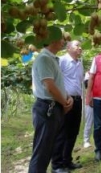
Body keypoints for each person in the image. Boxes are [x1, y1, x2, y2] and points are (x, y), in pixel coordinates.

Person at [28, 33, 74, 173]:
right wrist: (64, 103)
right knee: (42, 151)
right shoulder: (44, 59)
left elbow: (57, 84)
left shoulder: (52, 59)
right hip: (47, 108)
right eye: (61, 38)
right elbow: (49, 86)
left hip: (53, 107)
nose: (63, 41)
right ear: (51, 40)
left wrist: (68, 97)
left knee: (47, 149)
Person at [51, 40, 84, 171]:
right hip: (64, 100)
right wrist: (63, 98)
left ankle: (67, 160)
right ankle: (56, 165)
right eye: (77, 45)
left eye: (80, 46)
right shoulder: (62, 60)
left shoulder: (79, 64)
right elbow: (55, 80)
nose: (80, 48)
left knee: (73, 132)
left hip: (77, 100)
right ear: (68, 48)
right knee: (62, 132)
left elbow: (79, 82)